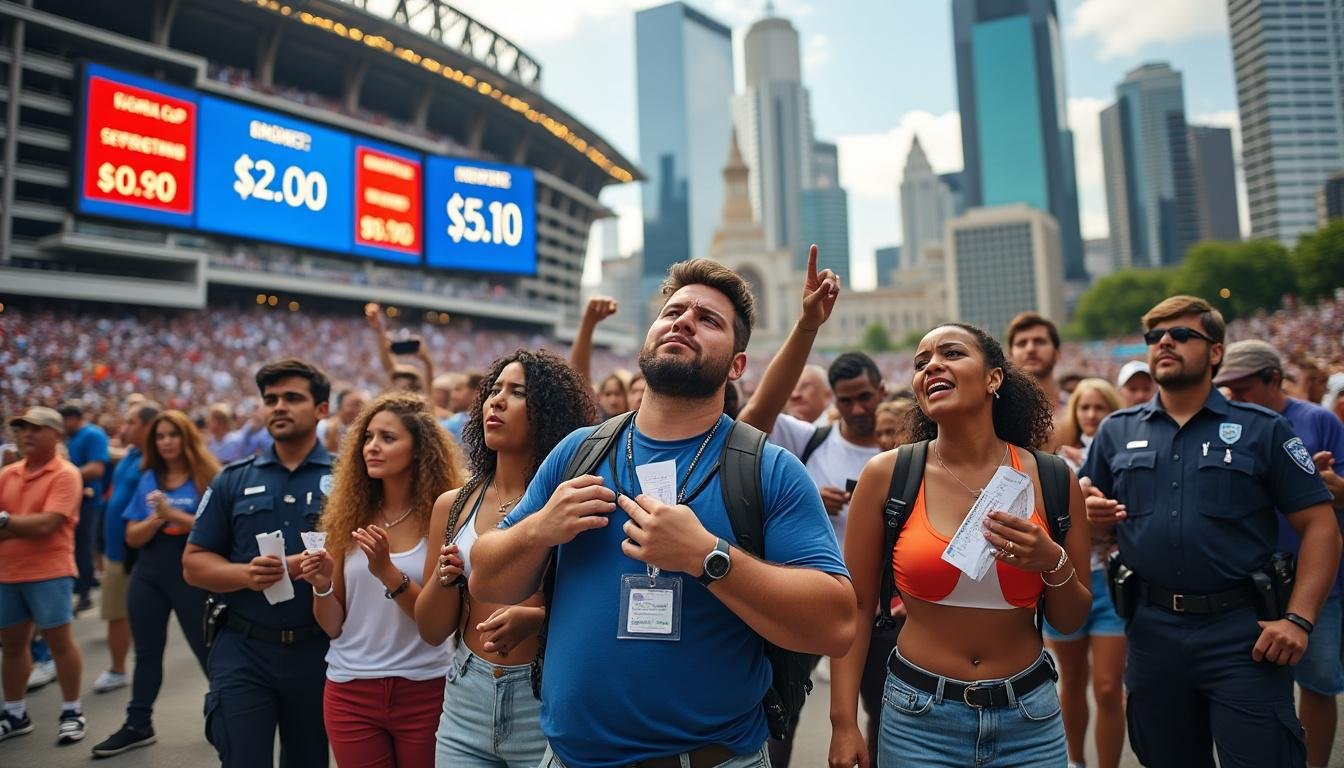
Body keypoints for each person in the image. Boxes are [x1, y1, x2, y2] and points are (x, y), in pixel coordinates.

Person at [470, 258, 856, 768]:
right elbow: (486, 579)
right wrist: (539, 528)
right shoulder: (578, 452)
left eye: (709, 320)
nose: (684, 321)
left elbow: (836, 623)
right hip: (568, 758)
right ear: (646, 339)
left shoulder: (768, 469)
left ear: (737, 365)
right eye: (673, 311)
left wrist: (709, 557)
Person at [1081, 296, 1341, 768]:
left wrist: (1299, 620)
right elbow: (1088, 526)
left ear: (1215, 352)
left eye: (1181, 335)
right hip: (1152, 630)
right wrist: (1090, 517)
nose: (1164, 343)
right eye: (1155, 336)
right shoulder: (1115, 432)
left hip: (1244, 633)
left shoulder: (1265, 429)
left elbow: (1321, 526)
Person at [829, 323, 1092, 768]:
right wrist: (843, 721)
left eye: (951, 353)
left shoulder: (1053, 478)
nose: (932, 365)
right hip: (918, 719)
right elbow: (854, 605)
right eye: (920, 362)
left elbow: (1069, 620)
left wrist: (1052, 561)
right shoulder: (887, 475)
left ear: (993, 378)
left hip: (1030, 718)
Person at [415, 349, 596, 767]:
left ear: (550, 413)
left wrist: (536, 619)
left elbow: (597, 611)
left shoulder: (568, 505)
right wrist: (446, 580)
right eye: (494, 390)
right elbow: (430, 628)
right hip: (466, 698)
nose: (496, 401)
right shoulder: (453, 505)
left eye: (517, 393)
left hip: (546, 699)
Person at [183, 358, 336, 768]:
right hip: (243, 648)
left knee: (307, 760)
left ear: (322, 409)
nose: (278, 407)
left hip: (319, 651)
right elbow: (193, 564)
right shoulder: (231, 478)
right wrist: (246, 575)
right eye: (270, 400)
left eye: (292, 398)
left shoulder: (349, 479)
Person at [298, 393, 463, 768]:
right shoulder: (347, 515)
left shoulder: (443, 516)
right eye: (368, 437)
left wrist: (387, 572)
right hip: (350, 689)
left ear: (419, 450)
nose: (372, 447)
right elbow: (333, 625)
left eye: (388, 438)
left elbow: (434, 624)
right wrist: (321, 584)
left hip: (426, 687)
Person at [1213, 340, 1344, 768]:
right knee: (1252, 687)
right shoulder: (1228, 423)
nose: (1232, 396)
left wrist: (1328, 485)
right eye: (1227, 388)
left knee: (1319, 683)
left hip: (1315, 580)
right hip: (1250, 582)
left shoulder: (1319, 420)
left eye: (1243, 387)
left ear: (1273, 378)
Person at [91, 410, 220, 757]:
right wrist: (155, 520)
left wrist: (171, 515)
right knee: (146, 653)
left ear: (186, 437)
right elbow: (132, 536)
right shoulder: (149, 476)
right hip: (149, 571)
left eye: (172, 435)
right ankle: (138, 723)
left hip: (192, 571)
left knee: (207, 650)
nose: (166, 442)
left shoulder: (207, 476)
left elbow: (219, 530)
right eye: (160, 436)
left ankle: (228, 716)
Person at [1045, 378, 1127, 768]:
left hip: (1111, 583)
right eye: (1085, 407)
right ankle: (1075, 762)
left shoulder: (1126, 453)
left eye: (1101, 407)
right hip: (1068, 579)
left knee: (1110, 687)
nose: (1092, 415)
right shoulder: (1056, 460)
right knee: (1072, 682)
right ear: (1074, 413)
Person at [0, 407, 87, 745]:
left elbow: (49, 524)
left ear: (56, 435)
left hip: (50, 570)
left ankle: (72, 710)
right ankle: (14, 711)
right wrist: (21, 524)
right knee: (11, 645)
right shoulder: (8, 474)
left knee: (59, 643)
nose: (27, 435)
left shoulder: (65, 474)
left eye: (36, 428)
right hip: (8, 571)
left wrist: (6, 522)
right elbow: (37, 524)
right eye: (21, 429)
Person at [90, 400, 163, 698]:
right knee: (118, 612)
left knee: (119, 612)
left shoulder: (155, 459)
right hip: (117, 549)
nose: (124, 427)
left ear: (147, 426)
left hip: (134, 550)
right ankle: (120, 667)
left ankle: (118, 669)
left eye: (131, 422)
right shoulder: (132, 453)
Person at [58, 401, 109, 614]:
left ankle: (85, 594)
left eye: (64, 421)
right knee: (75, 547)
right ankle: (79, 590)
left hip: (88, 502)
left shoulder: (93, 434)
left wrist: (64, 477)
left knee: (84, 548)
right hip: (73, 500)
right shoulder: (71, 438)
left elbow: (97, 469)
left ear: (73, 418)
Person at [1005, 312, 1066, 415]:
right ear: (1009, 356)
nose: (1030, 349)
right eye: (1022, 343)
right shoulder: (997, 414)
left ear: (1057, 353)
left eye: (1039, 341)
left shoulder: (1079, 410)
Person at [366, 302, 434, 394]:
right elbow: (390, 367)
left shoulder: (421, 405)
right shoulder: (389, 405)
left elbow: (429, 385)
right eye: (396, 384)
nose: (400, 390)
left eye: (405, 387)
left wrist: (427, 362)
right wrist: (380, 330)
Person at [318, 388, 369, 454]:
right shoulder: (322, 427)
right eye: (355, 405)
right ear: (340, 406)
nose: (360, 410)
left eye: (363, 405)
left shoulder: (366, 432)